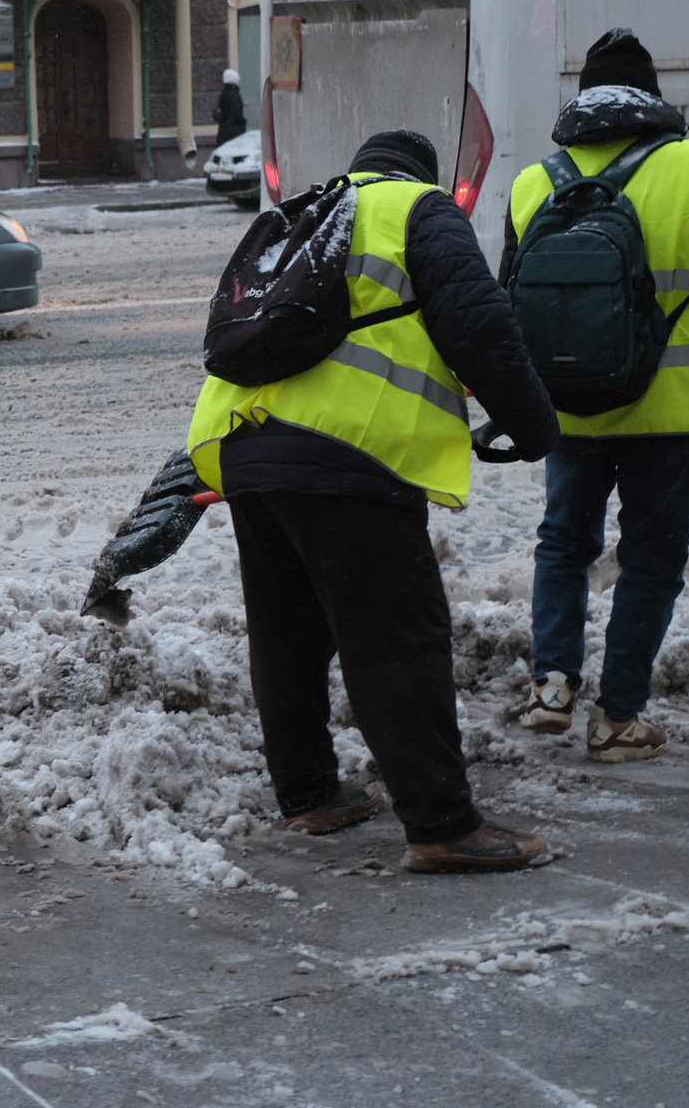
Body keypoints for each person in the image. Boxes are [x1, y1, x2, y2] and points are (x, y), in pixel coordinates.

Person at [189, 128, 560, 873]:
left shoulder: (307, 211)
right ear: (423, 174)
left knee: (287, 632)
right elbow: (480, 325)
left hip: (242, 443)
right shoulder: (420, 209)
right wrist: (534, 425)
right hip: (349, 450)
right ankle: (442, 825)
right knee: (398, 637)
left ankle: (310, 794)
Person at [504, 29, 689, 762]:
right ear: (652, 98)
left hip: (569, 403)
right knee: (651, 559)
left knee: (563, 541)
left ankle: (551, 686)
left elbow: (511, 298)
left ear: (584, 102)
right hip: (672, 409)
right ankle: (618, 718)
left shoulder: (534, 181)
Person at [214, 68, 249, 148]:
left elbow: (224, 109)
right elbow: (236, 113)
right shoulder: (235, 94)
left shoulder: (223, 94)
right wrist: (243, 122)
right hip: (234, 133)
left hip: (223, 132)